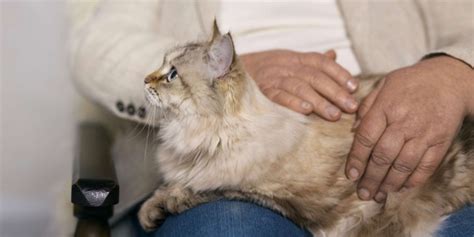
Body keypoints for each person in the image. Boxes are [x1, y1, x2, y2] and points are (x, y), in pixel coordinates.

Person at [69, 0, 474, 236]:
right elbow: (96, 48)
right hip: (216, 174)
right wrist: (213, 79)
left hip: (409, 165)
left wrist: (455, 71)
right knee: (227, 230)